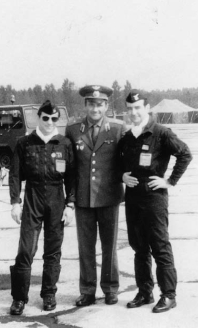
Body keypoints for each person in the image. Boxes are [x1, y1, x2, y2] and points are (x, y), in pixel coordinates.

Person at [119, 90, 192, 313]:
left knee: (160, 247)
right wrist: (122, 175)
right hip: (133, 199)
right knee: (139, 248)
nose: (134, 112)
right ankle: (145, 292)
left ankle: (169, 295)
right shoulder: (128, 137)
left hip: (153, 199)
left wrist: (170, 181)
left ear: (147, 108)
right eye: (130, 108)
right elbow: (118, 162)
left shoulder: (161, 133)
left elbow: (185, 154)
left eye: (138, 107)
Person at [9, 100, 75, 315]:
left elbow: (72, 177)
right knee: (26, 250)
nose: (49, 122)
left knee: (53, 250)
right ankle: (19, 298)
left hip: (57, 198)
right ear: (39, 118)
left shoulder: (64, 143)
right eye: (45, 118)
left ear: (58, 120)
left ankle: (49, 293)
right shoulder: (24, 143)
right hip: (32, 198)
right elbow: (16, 175)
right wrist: (15, 203)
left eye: (53, 118)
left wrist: (70, 205)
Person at [65, 85, 125, 307]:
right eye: (91, 104)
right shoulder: (72, 130)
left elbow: (125, 161)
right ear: (85, 105)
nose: (95, 108)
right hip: (83, 198)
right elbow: (71, 169)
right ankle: (87, 290)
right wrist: (70, 200)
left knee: (109, 246)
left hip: (109, 197)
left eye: (100, 104)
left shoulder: (118, 129)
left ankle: (110, 289)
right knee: (85, 247)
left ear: (106, 106)